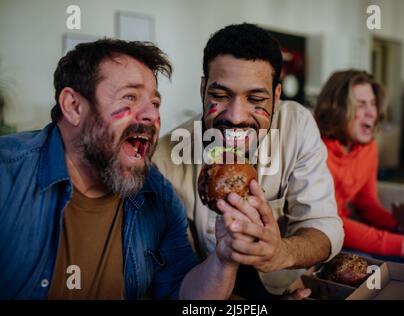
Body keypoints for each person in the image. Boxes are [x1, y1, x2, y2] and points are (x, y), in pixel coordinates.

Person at [0, 39, 241, 299]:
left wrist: (224, 258)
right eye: (130, 96)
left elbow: (182, 294)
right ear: (73, 106)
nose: (151, 115)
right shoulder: (7, 175)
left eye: (155, 103)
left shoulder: (158, 195)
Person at [153, 23, 344, 299]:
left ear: (277, 97)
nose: (236, 116)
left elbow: (324, 225)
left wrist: (281, 253)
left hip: (284, 286)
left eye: (255, 99)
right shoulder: (166, 157)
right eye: (220, 95)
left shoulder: (296, 126)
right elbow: (182, 282)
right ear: (203, 90)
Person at [314, 70, 404, 268]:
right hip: (324, 235)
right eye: (360, 105)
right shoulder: (316, 150)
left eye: (373, 103)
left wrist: (403, 226)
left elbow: (367, 204)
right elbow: (331, 221)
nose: (372, 112)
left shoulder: (368, 147)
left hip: (343, 228)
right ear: (337, 109)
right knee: (389, 264)